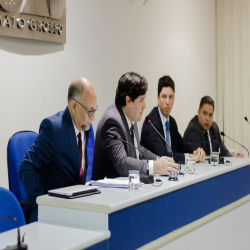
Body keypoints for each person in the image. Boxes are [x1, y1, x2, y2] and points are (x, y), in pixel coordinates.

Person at [19, 76, 97, 222]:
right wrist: (43, 202)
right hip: (53, 214)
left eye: (95, 110)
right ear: (74, 106)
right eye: (90, 111)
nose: (93, 117)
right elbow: (26, 168)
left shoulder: (88, 128)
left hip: (78, 210)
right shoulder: (54, 128)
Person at [92, 72, 179, 180]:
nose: (145, 106)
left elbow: (138, 149)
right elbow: (122, 163)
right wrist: (155, 166)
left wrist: (160, 160)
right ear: (128, 101)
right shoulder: (112, 121)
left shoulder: (131, 116)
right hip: (106, 193)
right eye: (141, 100)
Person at [141, 75, 205, 164]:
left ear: (174, 98)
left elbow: (183, 145)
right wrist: (190, 157)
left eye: (170, 97)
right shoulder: (150, 123)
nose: (167, 102)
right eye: (164, 97)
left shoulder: (171, 122)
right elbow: (163, 155)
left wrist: (196, 151)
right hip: (152, 175)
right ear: (158, 98)